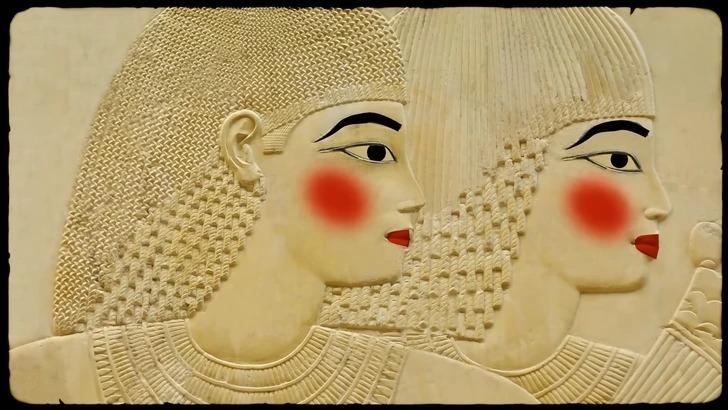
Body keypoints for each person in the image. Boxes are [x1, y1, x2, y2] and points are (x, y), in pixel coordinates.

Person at [9, 7, 536, 404]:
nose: (414, 196)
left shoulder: (462, 394)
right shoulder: (44, 383)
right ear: (244, 149)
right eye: (373, 151)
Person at [320, 7, 720, 403]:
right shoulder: (357, 377)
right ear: (498, 170)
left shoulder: (638, 376)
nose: (660, 203)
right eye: (618, 159)